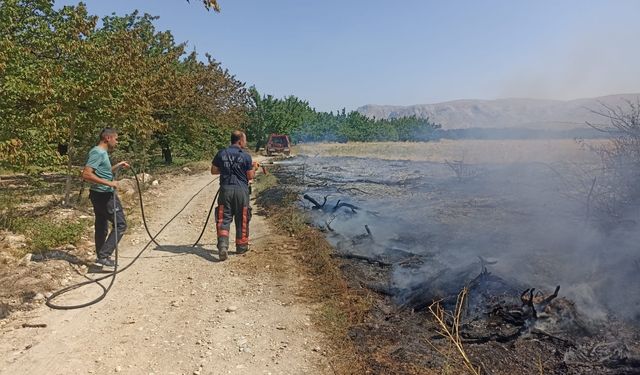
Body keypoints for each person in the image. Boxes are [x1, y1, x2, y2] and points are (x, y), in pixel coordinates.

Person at [81, 128, 129, 268]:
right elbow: (86, 174)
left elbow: (104, 172)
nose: (117, 141)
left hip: (99, 194)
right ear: (108, 138)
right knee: (120, 224)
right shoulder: (98, 152)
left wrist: (119, 165)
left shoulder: (102, 153)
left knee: (101, 225)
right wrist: (110, 183)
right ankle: (104, 255)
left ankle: (101, 256)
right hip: (104, 195)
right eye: (116, 138)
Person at [211, 130, 255, 261]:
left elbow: (213, 171)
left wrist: (225, 169)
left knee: (223, 218)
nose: (245, 142)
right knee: (242, 217)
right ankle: (241, 247)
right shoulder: (246, 156)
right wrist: (254, 168)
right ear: (240, 140)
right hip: (241, 191)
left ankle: (223, 246)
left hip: (226, 190)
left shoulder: (222, 153)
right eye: (245, 140)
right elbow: (250, 176)